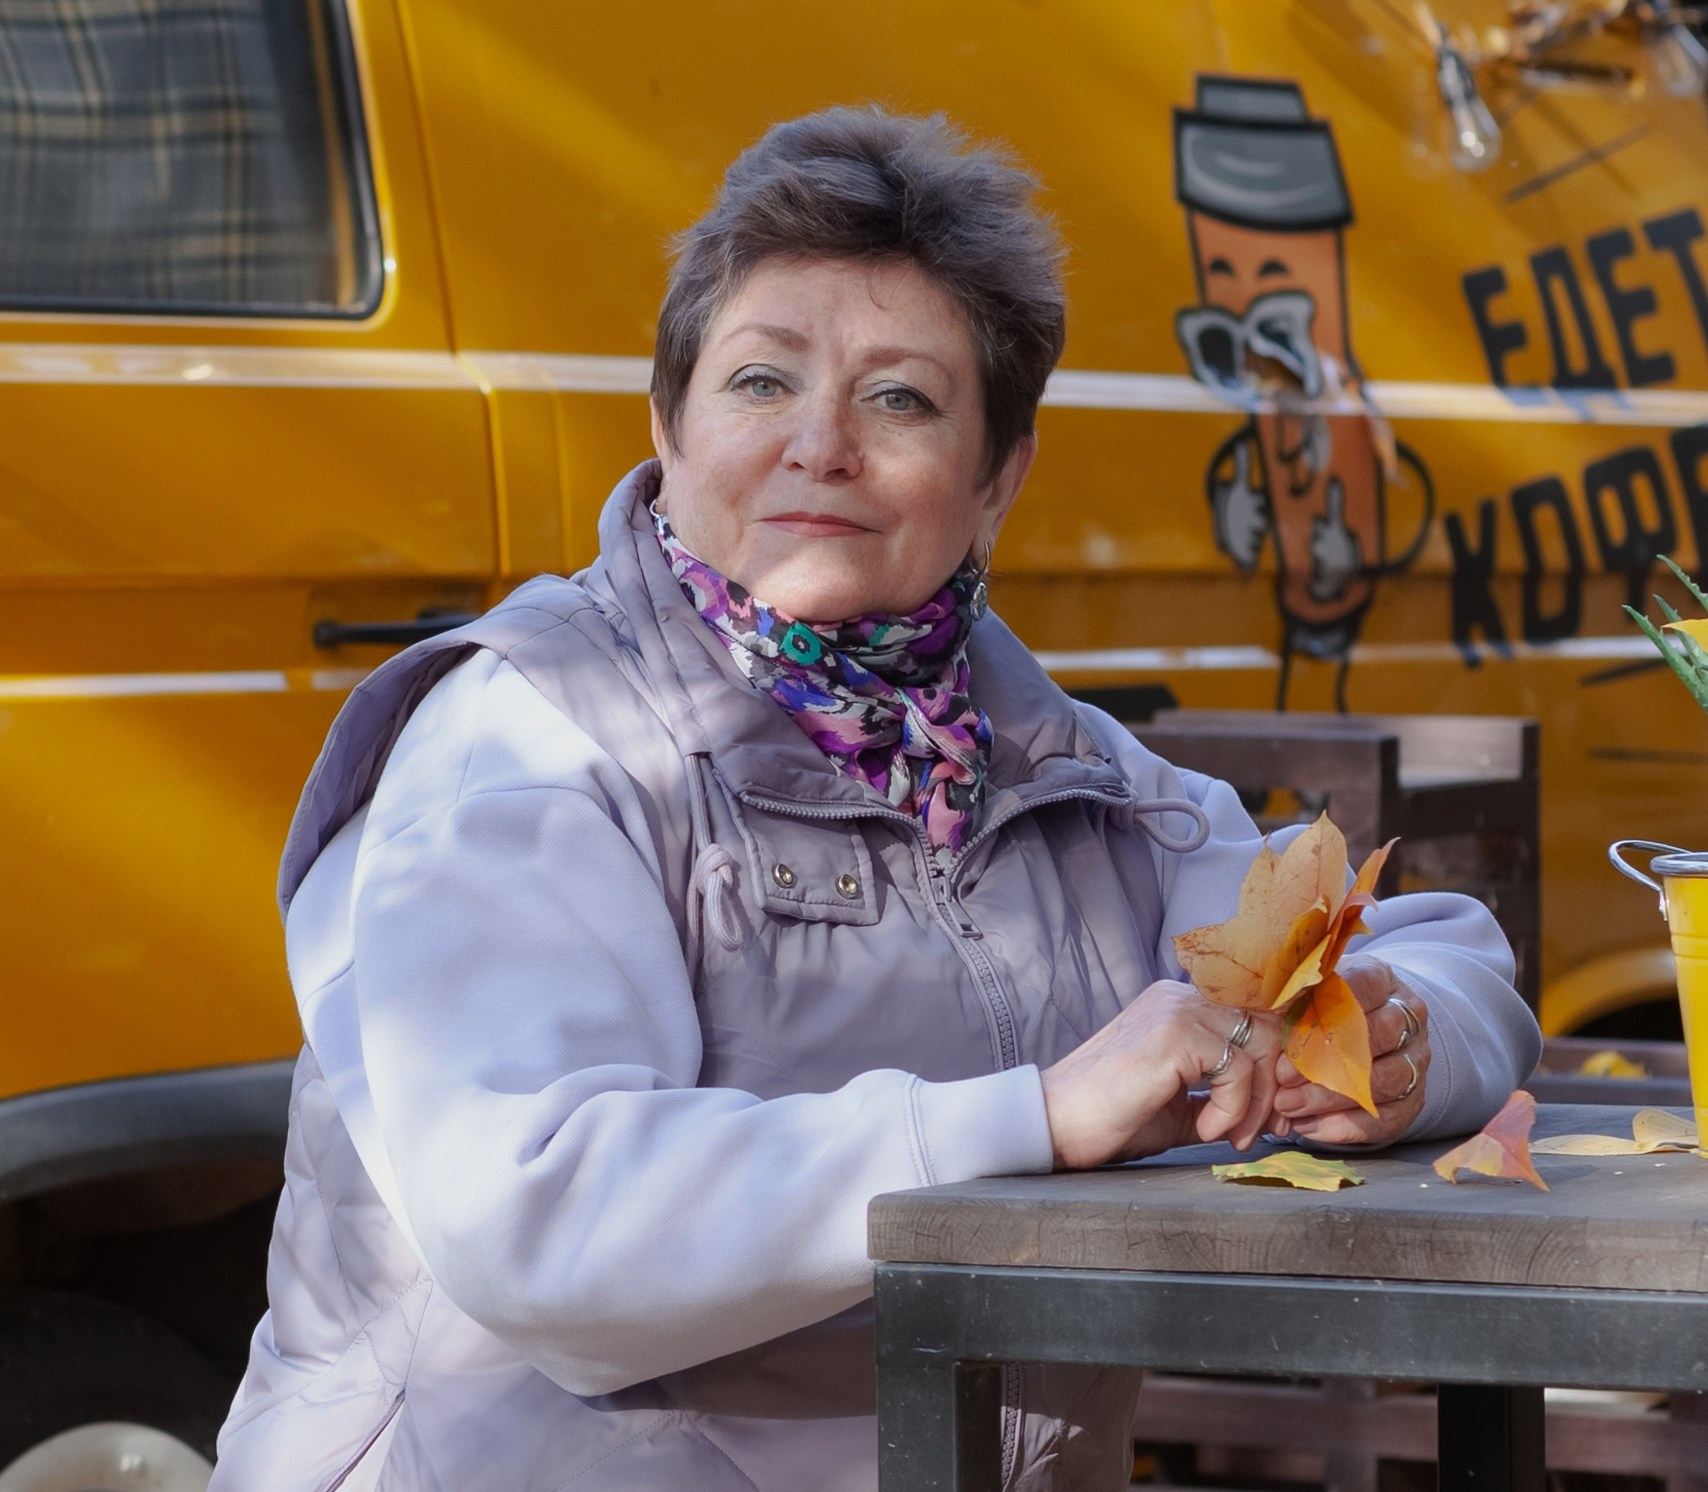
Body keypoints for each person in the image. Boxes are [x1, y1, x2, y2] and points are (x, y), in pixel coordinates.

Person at [208, 108, 1537, 1492]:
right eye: (760, 383)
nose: (820, 445)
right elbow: (537, 1218)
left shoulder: (1054, 767)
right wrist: (1037, 1113)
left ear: (997, 477)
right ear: (667, 425)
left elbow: (1442, 956)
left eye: (898, 398)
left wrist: (1397, 1050)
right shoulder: (532, 733)